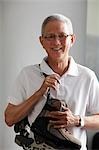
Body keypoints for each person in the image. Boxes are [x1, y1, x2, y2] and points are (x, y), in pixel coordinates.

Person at [4, 13, 99, 150]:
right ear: (42, 41)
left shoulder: (87, 76)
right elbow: (9, 118)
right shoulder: (27, 74)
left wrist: (77, 120)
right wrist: (39, 93)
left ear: (72, 39)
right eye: (50, 37)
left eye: (62, 36)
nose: (56, 42)